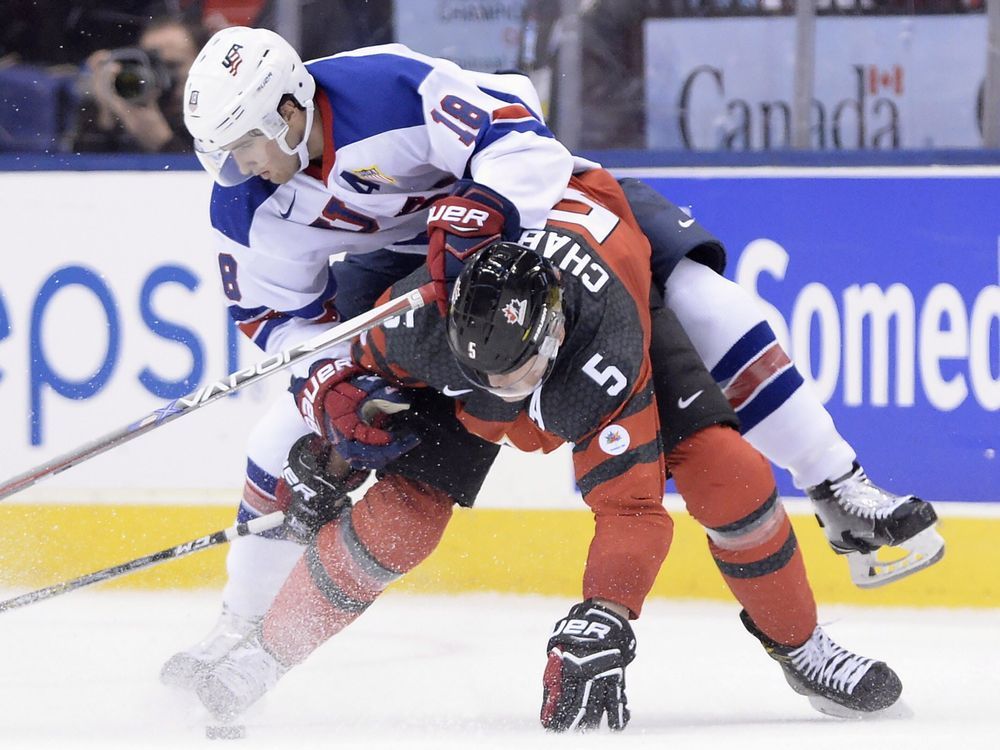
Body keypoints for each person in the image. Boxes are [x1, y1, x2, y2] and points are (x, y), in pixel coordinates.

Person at [160, 24, 933, 702]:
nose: (243, 166)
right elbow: (279, 321)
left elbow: (524, 140)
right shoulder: (253, 210)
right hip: (422, 287)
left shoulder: (390, 88)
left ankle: (837, 484)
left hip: (536, 216)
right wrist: (331, 386)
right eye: (224, 153)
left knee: (713, 331)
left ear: (291, 110)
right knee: (298, 440)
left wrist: (483, 207)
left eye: (248, 143)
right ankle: (242, 631)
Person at [189, 175, 903, 727]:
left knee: (729, 474)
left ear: (554, 330)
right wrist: (336, 450)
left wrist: (607, 613)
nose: (501, 389)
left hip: (612, 271)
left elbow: (633, 509)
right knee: (402, 517)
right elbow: (349, 387)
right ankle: (262, 655)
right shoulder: (421, 318)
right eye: (484, 375)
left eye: (514, 374)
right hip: (503, 294)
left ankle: (804, 649)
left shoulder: (607, 353)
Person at [71, 16, 209, 153]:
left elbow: (213, 171)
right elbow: (75, 169)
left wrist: (162, 140)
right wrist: (106, 116)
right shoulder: (120, 105)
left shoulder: (212, 117)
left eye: (172, 65)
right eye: (152, 64)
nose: (160, 75)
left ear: (203, 64)